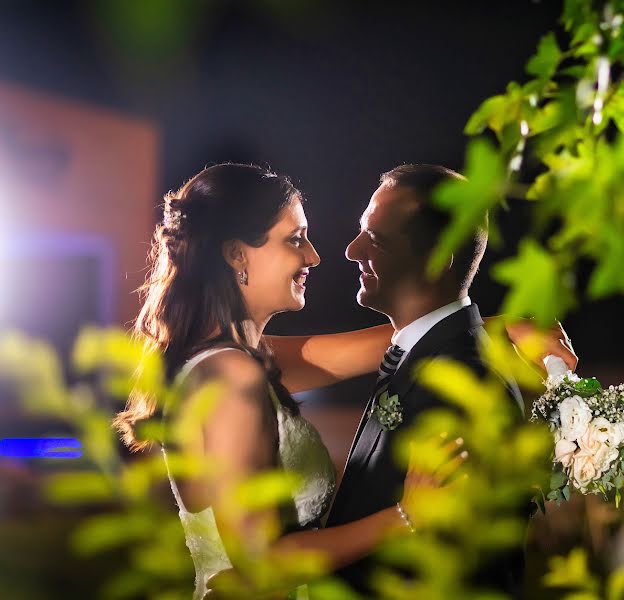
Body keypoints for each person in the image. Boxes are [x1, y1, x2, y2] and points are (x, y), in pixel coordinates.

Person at [113, 163, 465, 599]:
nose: (313, 256)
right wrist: (407, 517)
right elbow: (261, 562)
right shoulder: (230, 375)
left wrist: (494, 328)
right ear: (236, 255)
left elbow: (395, 342)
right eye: (295, 239)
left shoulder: (237, 360)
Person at [325, 164, 539, 597]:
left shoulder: (461, 383)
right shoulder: (428, 355)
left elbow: (451, 568)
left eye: (376, 240)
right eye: (361, 232)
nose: (351, 250)